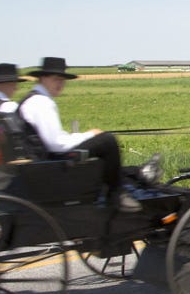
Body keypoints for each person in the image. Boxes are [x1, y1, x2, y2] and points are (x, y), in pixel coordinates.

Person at [19, 57, 141, 212]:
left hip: (41, 164)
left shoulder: (30, 100)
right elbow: (57, 144)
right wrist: (90, 134)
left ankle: (135, 173)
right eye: (56, 79)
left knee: (99, 147)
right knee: (107, 141)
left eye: (63, 80)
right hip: (50, 167)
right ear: (42, 78)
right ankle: (116, 195)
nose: (60, 84)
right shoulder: (41, 103)